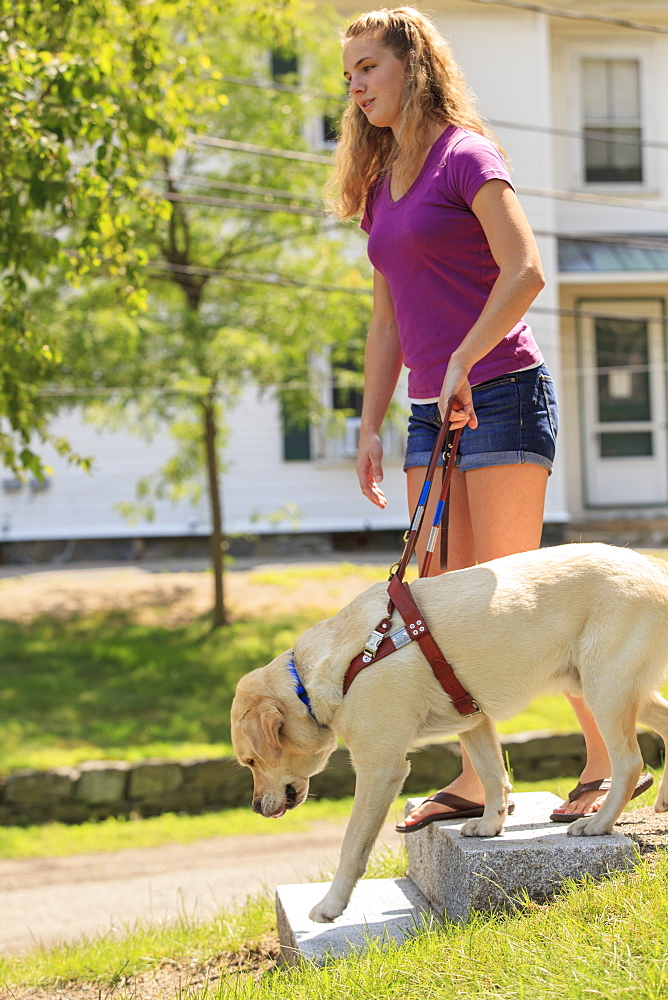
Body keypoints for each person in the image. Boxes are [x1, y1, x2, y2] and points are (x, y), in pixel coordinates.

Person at [328, 5, 651, 828]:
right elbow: (388, 319)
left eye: (368, 67)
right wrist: (370, 423)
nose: (355, 86)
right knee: (439, 604)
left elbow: (525, 270)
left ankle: (608, 759)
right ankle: (479, 783)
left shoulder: (463, 156)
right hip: (431, 412)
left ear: (413, 65)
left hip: (503, 389)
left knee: (516, 601)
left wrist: (468, 356)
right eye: (349, 74)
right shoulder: (380, 186)